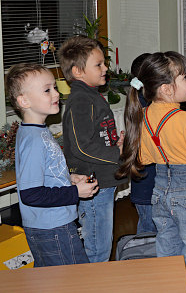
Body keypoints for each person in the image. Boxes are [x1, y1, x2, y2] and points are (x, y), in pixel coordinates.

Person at [117, 52, 186, 292]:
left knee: (167, 247)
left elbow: (145, 158)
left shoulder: (144, 116)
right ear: (166, 89)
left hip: (160, 191)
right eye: (184, 77)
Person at [8, 63, 99, 267]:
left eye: (55, 88)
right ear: (24, 101)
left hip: (54, 225)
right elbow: (31, 194)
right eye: (47, 90)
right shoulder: (33, 140)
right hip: (52, 228)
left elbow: (45, 171)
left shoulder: (38, 130)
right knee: (74, 278)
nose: (56, 93)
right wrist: (75, 192)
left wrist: (69, 178)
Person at [59, 36, 125, 263]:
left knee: (102, 242)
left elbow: (97, 136)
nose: (105, 68)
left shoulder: (90, 96)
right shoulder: (81, 100)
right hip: (93, 183)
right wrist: (118, 154)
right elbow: (82, 146)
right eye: (98, 65)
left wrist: (116, 144)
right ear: (78, 71)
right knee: (98, 248)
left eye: (104, 63)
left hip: (102, 181)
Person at [127, 53, 157, 234]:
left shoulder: (140, 99)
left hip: (147, 184)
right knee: (147, 230)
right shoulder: (144, 104)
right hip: (146, 185)